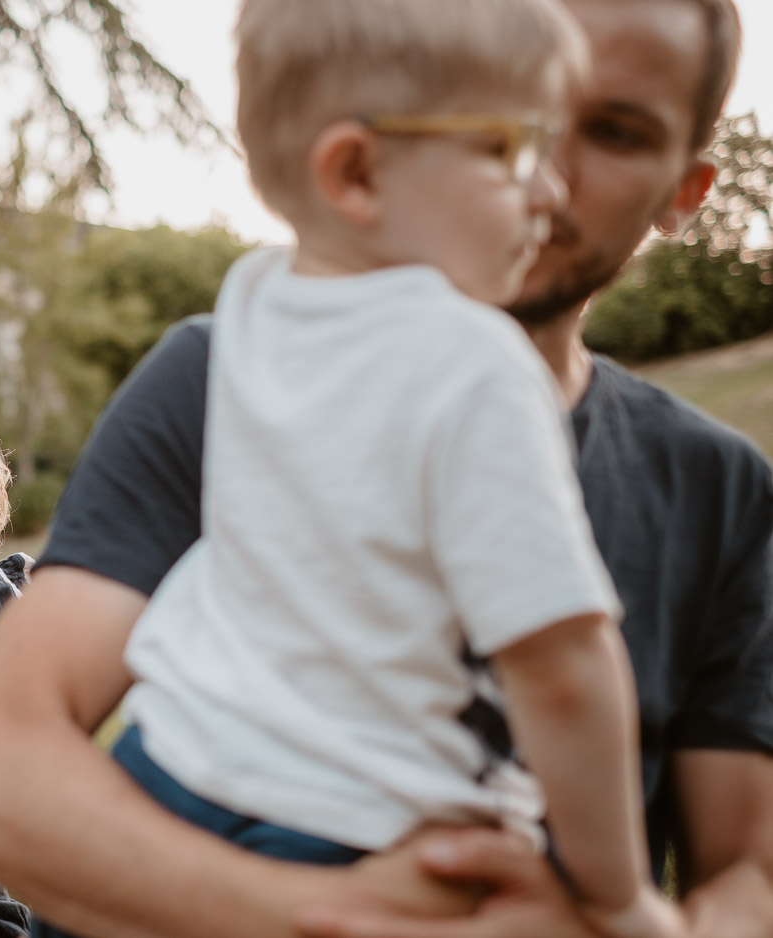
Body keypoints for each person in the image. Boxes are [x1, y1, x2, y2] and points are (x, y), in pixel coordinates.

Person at [0, 0, 773, 936]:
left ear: (685, 194)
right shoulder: (217, 373)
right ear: (358, 165)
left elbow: (748, 877)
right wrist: (343, 918)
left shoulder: (720, 487)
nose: (550, 179)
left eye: (609, 130)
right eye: (508, 131)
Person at [89, 0, 674, 933]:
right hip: (353, 827)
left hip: (163, 779)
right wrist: (617, 897)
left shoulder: (251, 308)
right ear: (356, 172)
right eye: (509, 151)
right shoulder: (475, 359)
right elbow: (562, 665)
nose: (550, 193)